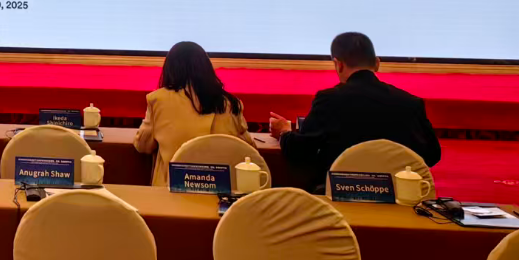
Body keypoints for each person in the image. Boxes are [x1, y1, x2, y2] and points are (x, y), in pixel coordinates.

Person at [270, 31, 441, 186]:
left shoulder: (329, 99)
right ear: (377, 63)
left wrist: (284, 132)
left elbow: (300, 150)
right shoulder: (411, 103)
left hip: (338, 195)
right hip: (399, 197)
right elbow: (431, 155)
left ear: (338, 64)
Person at [134, 41, 253, 185]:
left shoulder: (158, 100)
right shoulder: (230, 103)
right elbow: (249, 150)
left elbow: (143, 145)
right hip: (222, 192)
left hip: (170, 191)